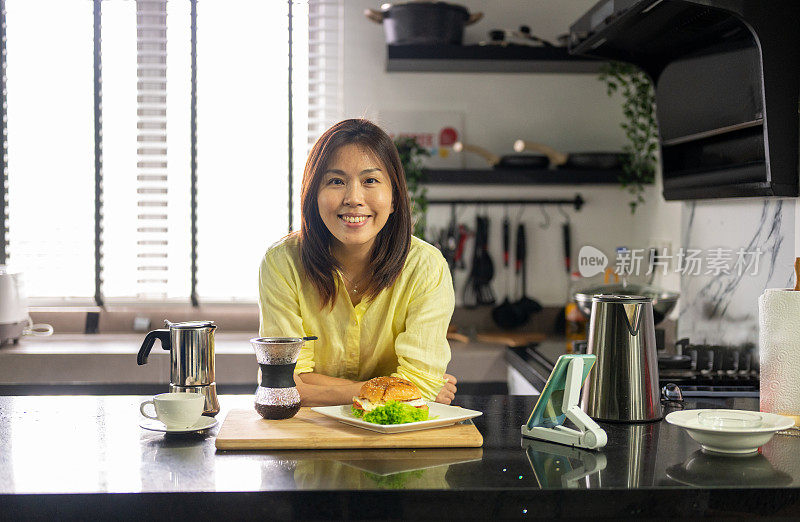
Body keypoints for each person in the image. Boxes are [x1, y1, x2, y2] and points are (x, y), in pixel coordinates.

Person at [258, 118, 457, 406]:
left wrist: (316, 389)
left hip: (395, 440)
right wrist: (396, 390)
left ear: (394, 199)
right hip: (309, 437)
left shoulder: (426, 267)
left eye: (370, 181)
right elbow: (284, 383)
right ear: (313, 195)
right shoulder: (282, 263)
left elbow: (421, 383)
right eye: (336, 181)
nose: (353, 198)